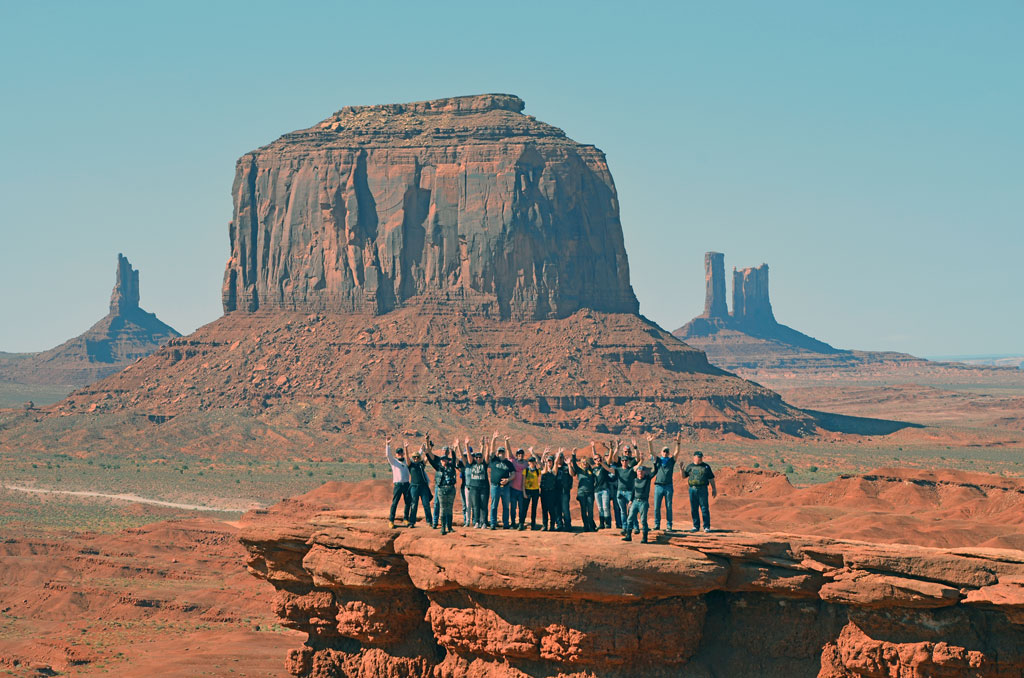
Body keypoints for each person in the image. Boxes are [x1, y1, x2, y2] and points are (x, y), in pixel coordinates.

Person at [649, 432, 682, 531]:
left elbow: (677, 452)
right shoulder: (658, 460)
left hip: (668, 486)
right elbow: (651, 452)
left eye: (667, 451)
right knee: (656, 507)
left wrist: (678, 442)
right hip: (658, 486)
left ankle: (669, 525)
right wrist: (650, 442)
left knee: (668, 506)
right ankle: (657, 524)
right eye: (664, 451)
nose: (665, 453)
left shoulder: (671, 461)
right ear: (661, 452)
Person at [426, 442, 459, 535]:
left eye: (445, 460)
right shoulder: (438, 468)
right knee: (443, 508)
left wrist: (453, 451)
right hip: (441, 490)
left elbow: (454, 460)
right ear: (440, 461)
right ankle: (443, 528)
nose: (444, 461)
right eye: (443, 460)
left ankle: (450, 527)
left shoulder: (451, 466)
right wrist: (427, 451)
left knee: (449, 508)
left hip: (451, 489)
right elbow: (430, 460)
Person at [623, 453, 655, 543]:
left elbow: (655, 471)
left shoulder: (647, 480)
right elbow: (633, 491)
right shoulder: (635, 480)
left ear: (644, 472)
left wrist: (654, 461)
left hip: (643, 502)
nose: (640, 473)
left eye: (641, 471)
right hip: (635, 501)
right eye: (638, 471)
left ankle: (644, 538)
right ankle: (628, 536)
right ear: (637, 472)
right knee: (630, 518)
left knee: (643, 520)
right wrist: (630, 500)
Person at [683, 450, 717, 532]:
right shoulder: (690, 466)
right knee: (694, 508)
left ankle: (706, 527)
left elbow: (711, 478)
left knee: (704, 508)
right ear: (694, 457)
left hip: (703, 489)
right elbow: (684, 476)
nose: (700, 458)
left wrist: (714, 488)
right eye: (698, 457)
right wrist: (681, 469)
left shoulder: (706, 467)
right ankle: (696, 526)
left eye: (701, 457)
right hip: (692, 489)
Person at [486, 432, 514, 530]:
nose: (501, 453)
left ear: (504, 453)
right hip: (495, 486)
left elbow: (513, 474)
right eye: (500, 452)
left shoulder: (508, 463)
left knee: (506, 506)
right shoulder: (494, 460)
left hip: (505, 487)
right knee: (494, 505)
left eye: (502, 452)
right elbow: (491, 450)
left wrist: (508, 479)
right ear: (498, 453)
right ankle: (493, 523)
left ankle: (506, 524)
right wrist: (494, 439)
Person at [385, 434, 412, 528]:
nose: (400, 454)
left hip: (406, 484)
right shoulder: (394, 462)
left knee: (408, 502)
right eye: (398, 453)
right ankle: (391, 521)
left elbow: (417, 457)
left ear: (403, 453)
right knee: (395, 503)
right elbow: (388, 455)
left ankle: (406, 519)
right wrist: (387, 445)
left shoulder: (407, 461)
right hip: (398, 485)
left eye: (401, 453)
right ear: (396, 454)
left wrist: (421, 450)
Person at [461, 439, 489, 529]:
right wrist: (466, 445)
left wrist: (486, 446)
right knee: (476, 506)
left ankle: (484, 522)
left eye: (480, 457)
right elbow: (469, 456)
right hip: (474, 488)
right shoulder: (472, 463)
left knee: (483, 505)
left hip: (484, 488)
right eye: (477, 457)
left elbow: (486, 455)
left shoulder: (484, 464)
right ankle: (477, 522)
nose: (478, 459)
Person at [405, 439, 433, 528]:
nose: (416, 458)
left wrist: (430, 447)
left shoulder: (421, 464)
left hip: (423, 487)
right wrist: (406, 448)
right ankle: (412, 522)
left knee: (426, 504)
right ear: (413, 458)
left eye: (417, 457)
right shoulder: (410, 465)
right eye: (414, 457)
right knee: (414, 505)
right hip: (414, 487)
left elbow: (427, 457)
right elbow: (407, 458)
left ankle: (429, 521)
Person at [569, 449, 597, 532]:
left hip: (590, 493)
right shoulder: (579, 470)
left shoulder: (591, 470)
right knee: (583, 510)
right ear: (581, 463)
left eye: (586, 462)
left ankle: (591, 526)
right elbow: (574, 464)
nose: (585, 463)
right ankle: (586, 526)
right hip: (582, 493)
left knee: (590, 511)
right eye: (583, 462)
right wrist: (573, 454)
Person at [505, 437, 528, 531]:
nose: (520, 455)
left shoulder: (526, 464)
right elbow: (508, 451)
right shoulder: (513, 461)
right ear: (517, 455)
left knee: (521, 508)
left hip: (522, 490)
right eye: (519, 454)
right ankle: (513, 523)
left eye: (521, 454)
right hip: (513, 489)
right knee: (513, 507)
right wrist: (506, 441)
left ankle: (521, 523)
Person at [592, 441, 613, 529]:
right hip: (597, 490)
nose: (597, 460)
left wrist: (611, 448)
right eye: (595, 459)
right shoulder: (593, 469)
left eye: (599, 458)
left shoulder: (604, 466)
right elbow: (594, 455)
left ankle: (608, 524)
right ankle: (601, 524)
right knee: (600, 508)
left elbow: (609, 460)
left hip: (605, 489)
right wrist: (593, 447)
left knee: (605, 507)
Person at [539, 449, 559, 531]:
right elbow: (540, 462)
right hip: (544, 492)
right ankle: (545, 525)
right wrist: (544, 454)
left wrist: (558, 454)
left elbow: (556, 463)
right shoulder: (543, 470)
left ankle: (552, 526)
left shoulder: (553, 471)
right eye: (548, 461)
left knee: (551, 509)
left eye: (550, 461)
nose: (549, 462)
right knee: (544, 509)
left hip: (551, 492)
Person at [555, 449, 573, 531]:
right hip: (555, 490)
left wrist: (569, 464)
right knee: (557, 508)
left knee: (565, 508)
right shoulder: (554, 467)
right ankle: (559, 524)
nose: (559, 459)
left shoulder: (566, 467)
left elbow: (572, 474)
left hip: (565, 491)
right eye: (558, 458)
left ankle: (568, 525)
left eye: (561, 458)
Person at [522, 450, 541, 530]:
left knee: (534, 508)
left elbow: (542, 466)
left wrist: (534, 453)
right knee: (525, 507)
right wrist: (524, 493)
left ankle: (533, 524)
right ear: (528, 462)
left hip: (535, 491)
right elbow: (523, 483)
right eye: (530, 461)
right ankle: (521, 523)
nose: (531, 463)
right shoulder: (525, 471)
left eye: (533, 461)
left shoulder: (537, 471)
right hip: (527, 490)